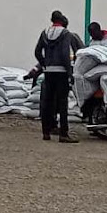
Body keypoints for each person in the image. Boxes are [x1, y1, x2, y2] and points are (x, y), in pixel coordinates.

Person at [34, 10, 78, 143]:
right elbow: (65, 53)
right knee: (62, 102)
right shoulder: (65, 33)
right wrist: (69, 71)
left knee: (48, 101)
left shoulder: (45, 33)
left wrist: (44, 63)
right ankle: (63, 134)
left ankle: (46, 132)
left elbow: (37, 51)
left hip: (49, 71)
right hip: (61, 71)